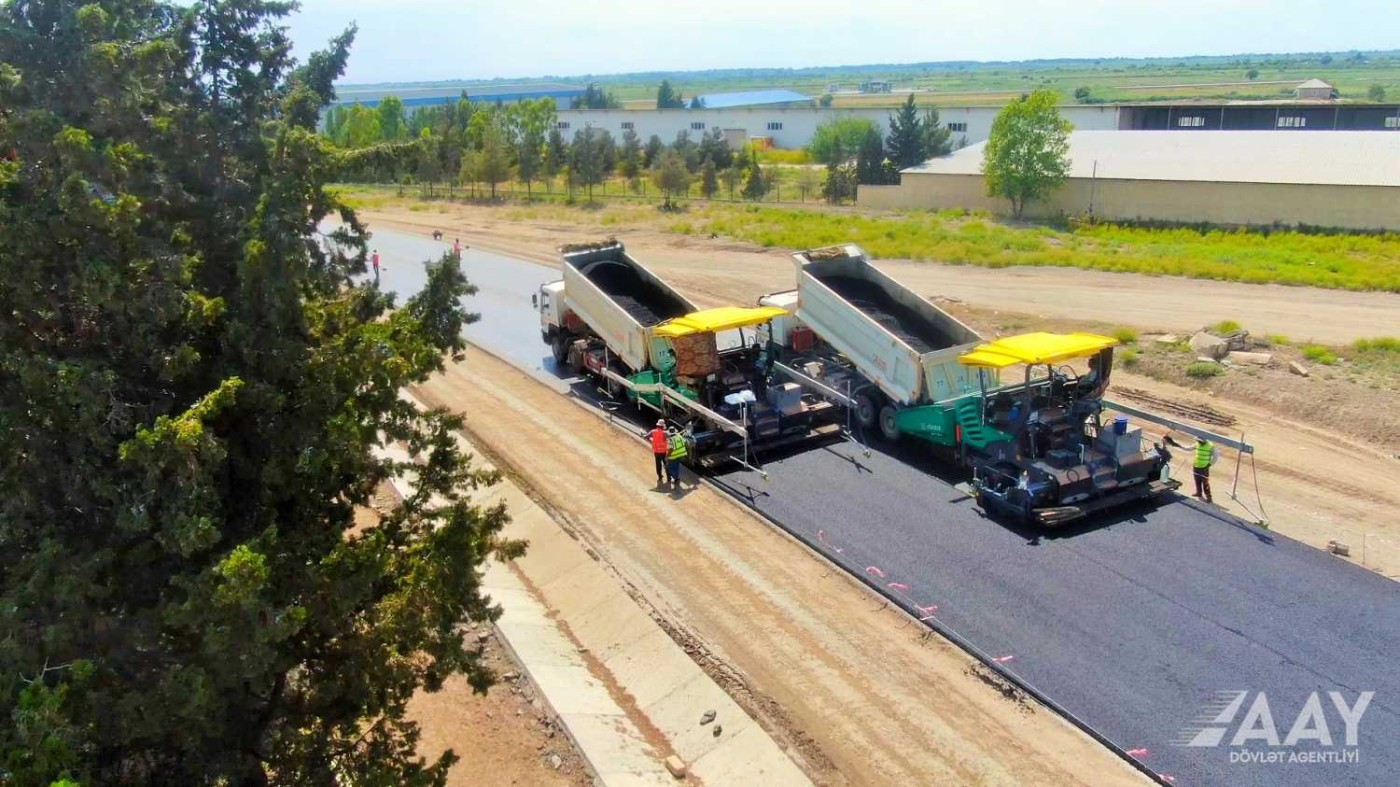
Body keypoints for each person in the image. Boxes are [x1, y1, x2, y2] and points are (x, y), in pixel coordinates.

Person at [1193, 436, 1218, 502]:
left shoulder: (1211, 446)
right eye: (1198, 441)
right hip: (1196, 465)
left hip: (1204, 467)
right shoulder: (1197, 444)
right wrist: (1177, 445)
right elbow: (1188, 448)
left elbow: (1215, 457)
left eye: (1200, 441)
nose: (1199, 442)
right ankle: (1199, 493)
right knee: (1197, 480)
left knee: (1205, 482)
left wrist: (1209, 464)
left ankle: (1208, 496)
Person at [646, 419, 668, 487]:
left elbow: (646, 436)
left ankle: (660, 476)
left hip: (656, 451)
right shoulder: (665, 433)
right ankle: (669, 477)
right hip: (664, 452)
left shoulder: (653, 432)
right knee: (666, 464)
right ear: (662, 426)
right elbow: (670, 437)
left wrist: (652, 440)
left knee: (658, 465)